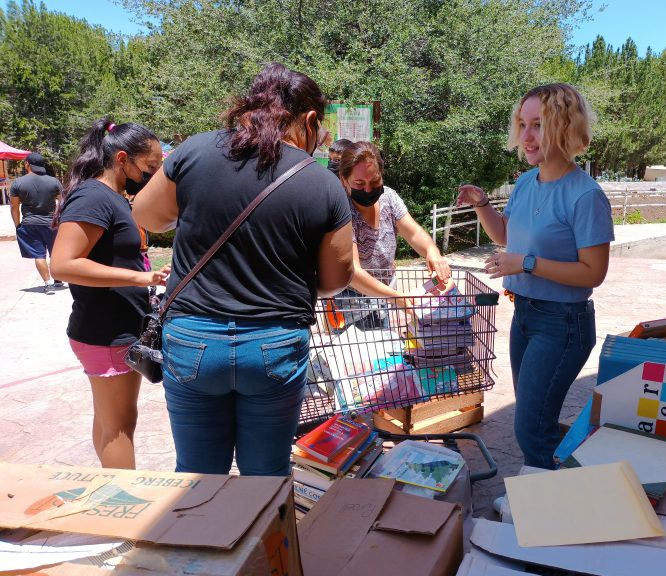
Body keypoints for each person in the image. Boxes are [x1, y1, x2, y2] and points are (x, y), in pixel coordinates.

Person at [132, 62, 353, 477]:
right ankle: (265, 542)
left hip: (193, 341)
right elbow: (336, 279)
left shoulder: (194, 152)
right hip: (274, 346)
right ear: (308, 120)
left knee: (198, 474)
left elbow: (146, 214)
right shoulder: (322, 183)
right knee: (266, 474)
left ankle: (200, 541)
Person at [457, 83, 614, 471]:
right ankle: (555, 493)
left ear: (566, 127)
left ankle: (541, 513)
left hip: (562, 324)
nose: (526, 137)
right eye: (522, 124)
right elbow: (506, 234)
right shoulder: (528, 182)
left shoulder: (585, 195)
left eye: (539, 125)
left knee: (531, 426)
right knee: (534, 418)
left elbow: (594, 273)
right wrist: (481, 204)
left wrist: (525, 264)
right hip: (525, 315)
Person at [50, 119, 170, 469]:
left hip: (109, 328)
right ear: (122, 158)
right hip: (107, 332)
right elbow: (63, 264)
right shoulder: (93, 196)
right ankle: (127, 515)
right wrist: (139, 277)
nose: (154, 173)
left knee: (107, 421)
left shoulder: (110, 196)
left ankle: (112, 503)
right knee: (120, 427)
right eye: (150, 166)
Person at [333, 140, 451, 329]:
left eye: (375, 181)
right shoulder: (340, 209)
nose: (368, 190)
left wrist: (431, 251)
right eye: (359, 183)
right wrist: (397, 298)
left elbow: (414, 233)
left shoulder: (388, 197)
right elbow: (353, 272)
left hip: (384, 297)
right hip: (351, 307)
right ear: (344, 180)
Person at [9, 152, 63, 294]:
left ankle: (48, 284)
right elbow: (63, 202)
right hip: (52, 223)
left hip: (30, 224)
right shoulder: (54, 181)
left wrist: (17, 224)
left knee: (39, 255)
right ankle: (57, 278)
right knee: (55, 253)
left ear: (27, 164)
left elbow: (14, 207)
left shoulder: (18, 183)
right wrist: (58, 217)